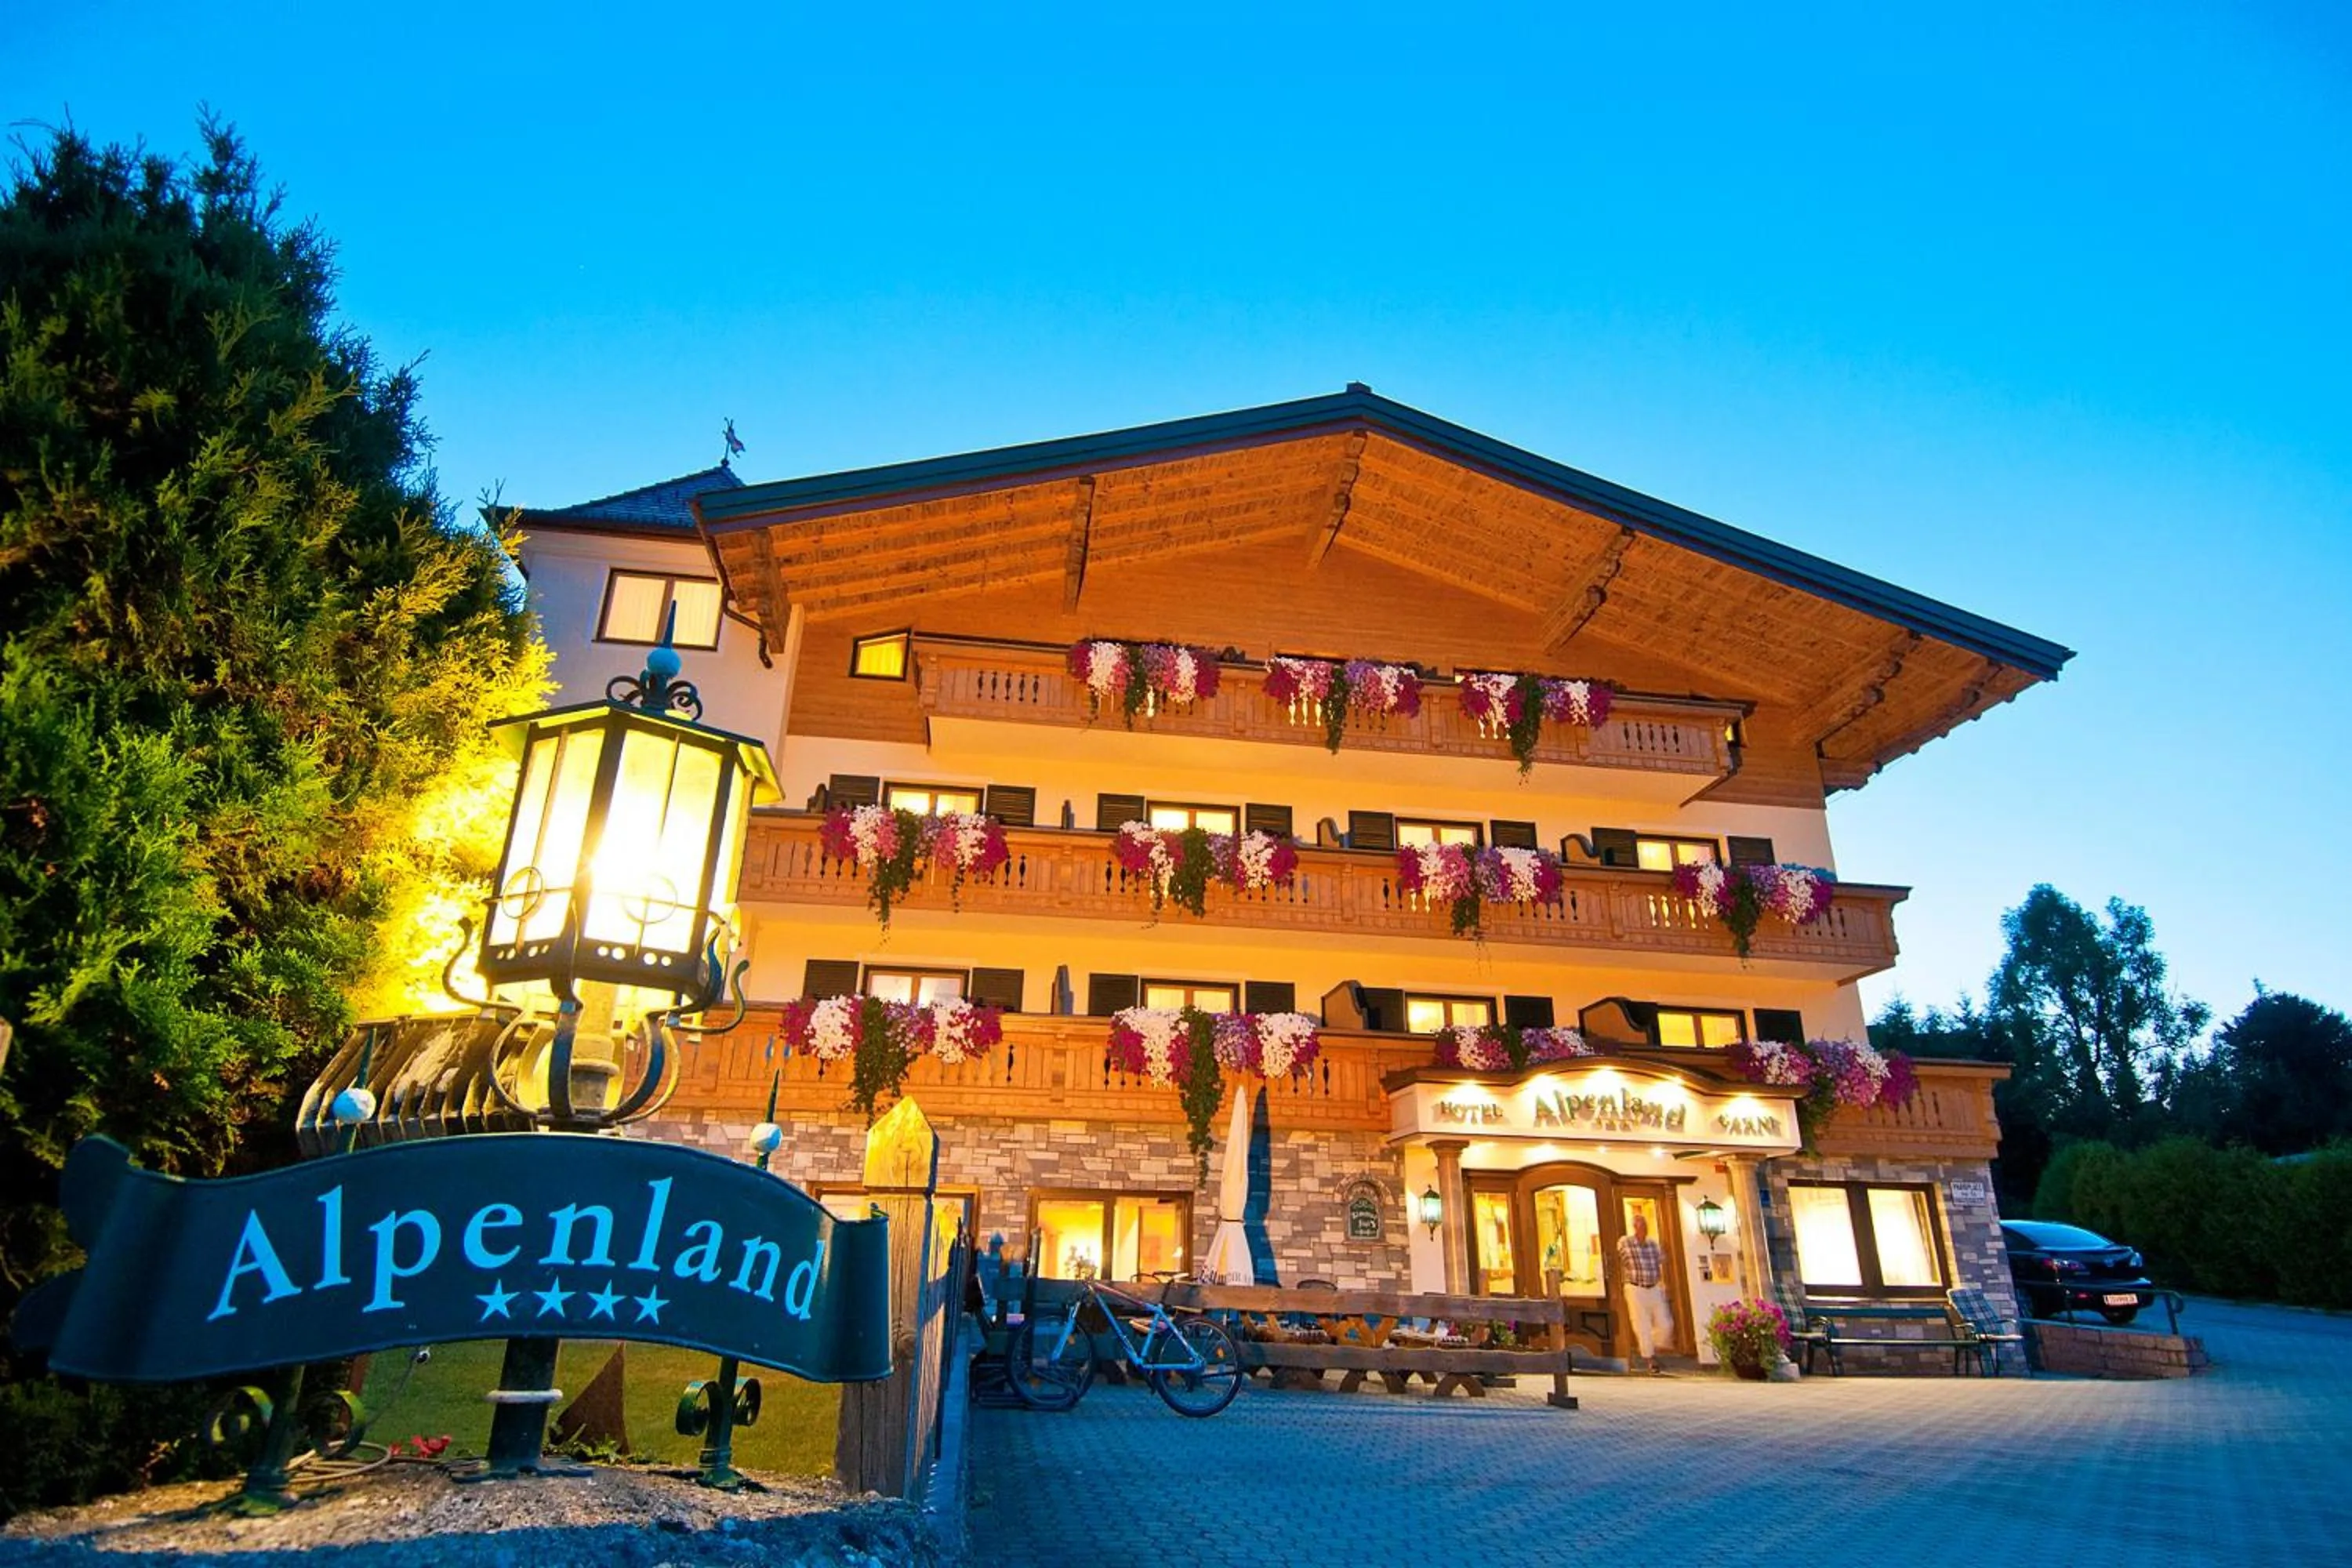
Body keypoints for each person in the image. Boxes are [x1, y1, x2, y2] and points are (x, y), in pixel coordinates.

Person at [1615, 1211, 1675, 1374]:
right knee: (1642, 1325)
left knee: (1665, 1324)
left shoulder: (1653, 1244)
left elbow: (1662, 1262)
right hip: (1635, 1287)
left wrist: (1665, 1284)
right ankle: (1650, 1360)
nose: (1642, 1228)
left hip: (1654, 1287)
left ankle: (1651, 1345)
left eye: (1644, 1225)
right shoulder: (1625, 1242)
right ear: (1634, 1227)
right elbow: (1616, 1258)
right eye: (1639, 1224)